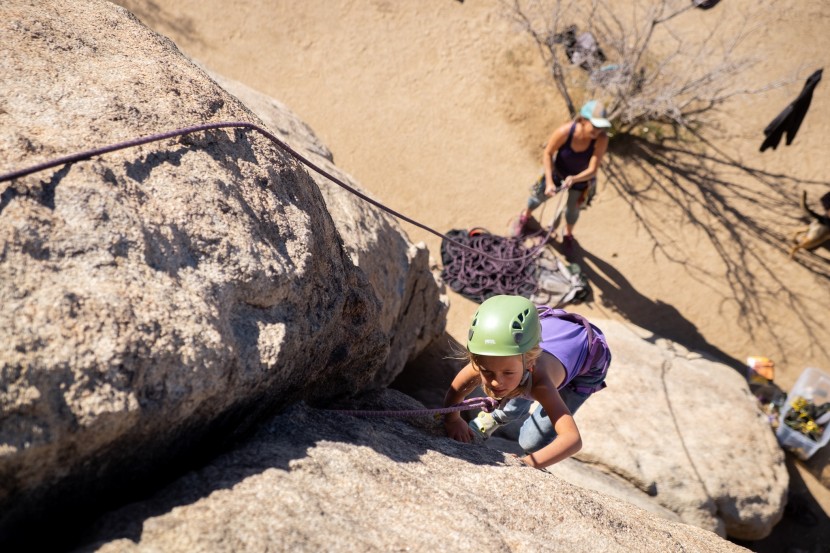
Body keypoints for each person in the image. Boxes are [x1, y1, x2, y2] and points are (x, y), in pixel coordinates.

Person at [443, 294, 611, 470]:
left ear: (530, 362)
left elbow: (572, 439)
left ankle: (512, 404)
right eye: (487, 372)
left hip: (588, 361)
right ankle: (496, 416)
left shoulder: (541, 385)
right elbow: (457, 390)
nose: (495, 382)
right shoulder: (489, 359)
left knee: (531, 442)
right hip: (546, 340)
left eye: (507, 372)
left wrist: (525, 465)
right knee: (512, 391)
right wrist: (452, 420)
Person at [512, 100, 611, 246]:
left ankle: (568, 234)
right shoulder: (565, 132)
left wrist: (575, 179)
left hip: (581, 180)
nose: (597, 131)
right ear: (583, 120)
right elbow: (548, 153)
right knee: (537, 198)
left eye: (600, 127)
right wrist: (550, 182)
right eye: (595, 125)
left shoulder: (601, 139)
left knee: (573, 210)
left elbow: (592, 169)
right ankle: (524, 217)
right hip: (557, 172)